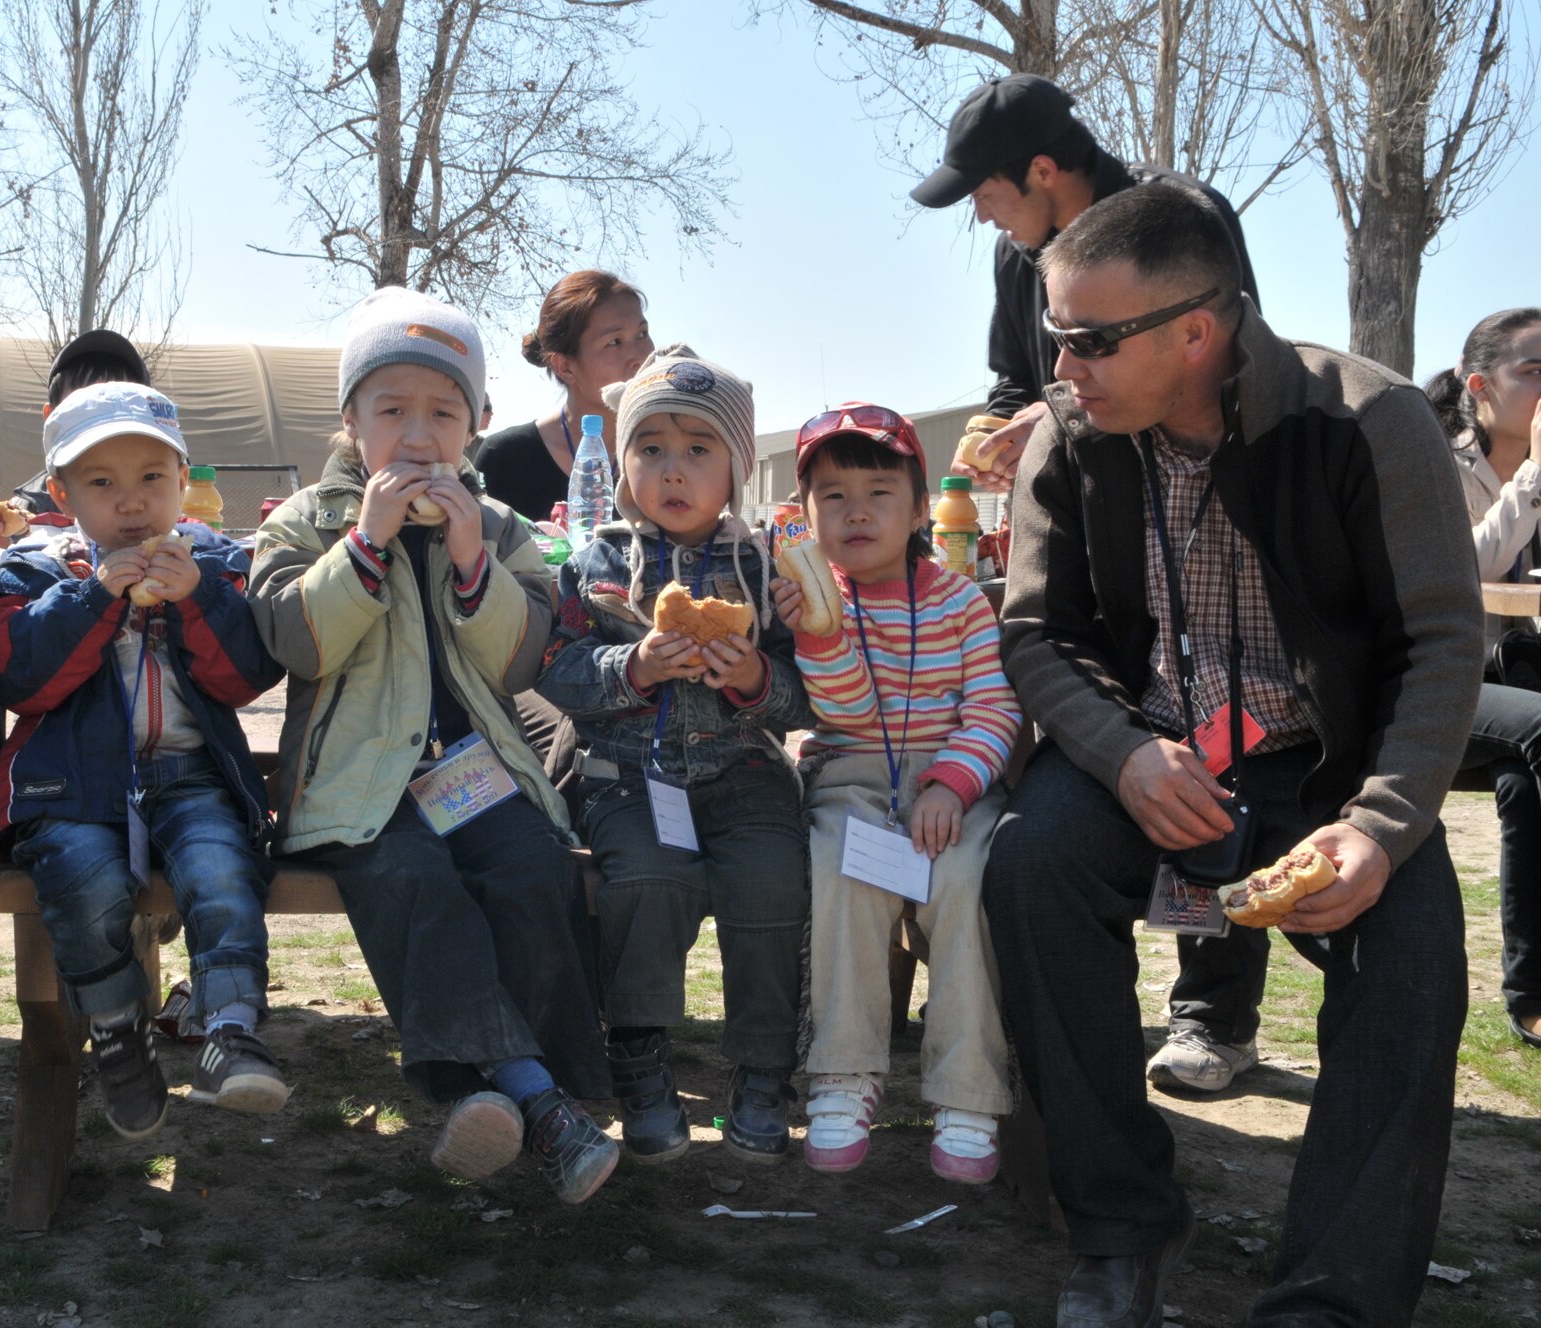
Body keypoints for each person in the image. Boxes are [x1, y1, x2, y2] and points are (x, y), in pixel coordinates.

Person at [985, 183, 1478, 1327]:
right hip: (1151, 755)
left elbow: (1444, 642)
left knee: (1411, 952)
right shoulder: (1068, 436)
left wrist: (1377, 824)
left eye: (1086, 341)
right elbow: (1035, 633)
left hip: (1324, 771)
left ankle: (1329, 1297)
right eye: (1053, 338)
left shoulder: (1369, 420)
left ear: (1195, 331)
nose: (1061, 369)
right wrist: (1117, 755)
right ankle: (1117, 1231)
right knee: (1029, 864)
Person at [913, 73, 1268, 1096]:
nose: (978, 212)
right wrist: (1007, 428)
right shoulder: (1012, 258)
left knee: (1216, 751)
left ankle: (1212, 1012)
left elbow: (1227, 379)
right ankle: (1071, 1038)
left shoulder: (1180, 219)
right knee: (1079, 782)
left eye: (983, 190)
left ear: (1039, 169)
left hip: (1198, 541)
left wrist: (1054, 418)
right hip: (1076, 543)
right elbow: (1009, 383)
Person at [247, 288, 617, 1204]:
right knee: (415, 883)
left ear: (478, 426)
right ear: (350, 422)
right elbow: (294, 641)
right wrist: (364, 543)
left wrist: (469, 562)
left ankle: (502, 1094)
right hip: (357, 787)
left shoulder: (498, 529)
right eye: (392, 410)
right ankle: (537, 1101)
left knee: (536, 869)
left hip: (474, 774)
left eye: (443, 413)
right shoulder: (302, 521)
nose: (418, 435)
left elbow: (521, 659)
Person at [0, 383, 286, 1140]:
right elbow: (16, 679)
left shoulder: (213, 563)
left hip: (190, 776)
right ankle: (116, 1028)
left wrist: (197, 602)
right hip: (70, 789)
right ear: (61, 494)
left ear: (185, 483)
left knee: (221, 873)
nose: (133, 503)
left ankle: (231, 1029)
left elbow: (243, 675)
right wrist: (90, 600)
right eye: (102, 483)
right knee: (84, 886)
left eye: (153, 477)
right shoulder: (35, 570)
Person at [535, 346, 813, 1166]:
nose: (673, 470)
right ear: (622, 465)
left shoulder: (768, 569)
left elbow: (810, 690)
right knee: (651, 881)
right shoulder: (596, 563)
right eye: (650, 448)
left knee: (771, 879)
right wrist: (637, 666)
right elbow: (557, 673)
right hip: (627, 774)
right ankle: (640, 1059)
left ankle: (763, 1072)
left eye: (699, 450)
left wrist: (759, 678)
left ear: (736, 467)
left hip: (746, 771)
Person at [768, 404, 1021, 1181]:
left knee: (971, 882)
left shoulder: (960, 601)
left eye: (880, 493)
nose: (856, 512)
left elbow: (994, 706)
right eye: (833, 496)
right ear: (803, 516)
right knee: (840, 870)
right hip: (852, 773)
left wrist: (951, 781)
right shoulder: (813, 601)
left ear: (920, 509)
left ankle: (968, 1088)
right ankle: (844, 1073)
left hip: (955, 776)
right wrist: (818, 635)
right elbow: (842, 712)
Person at [1429, 307, 1541, 1050]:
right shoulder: (1439, 462)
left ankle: (1531, 998)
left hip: (1520, 687)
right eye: (1533, 371)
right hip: (1439, 686)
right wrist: (1533, 476)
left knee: (1523, 783)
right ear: (1481, 386)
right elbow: (1463, 575)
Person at [474, 270, 652, 522]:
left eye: (642, 334)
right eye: (615, 342)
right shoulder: (506, 458)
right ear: (565, 367)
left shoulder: (667, 452)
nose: (639, 356)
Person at [0, 329, 153, 549]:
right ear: (50, 421)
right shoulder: (28, 512)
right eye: (82, 413)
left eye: (118, 412)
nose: (101, 430)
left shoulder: (165, 504)